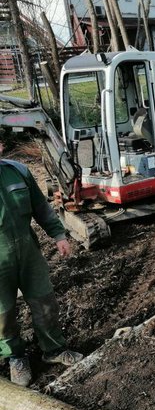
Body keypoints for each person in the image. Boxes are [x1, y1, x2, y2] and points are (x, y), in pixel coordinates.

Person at [0, 141, 83, 386]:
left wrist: (58, 235)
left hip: (28, 251)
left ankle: (54, 349)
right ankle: (15, 357)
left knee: (45, 302)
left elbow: (41, 207)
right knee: (3, 314)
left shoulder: (18, 171)